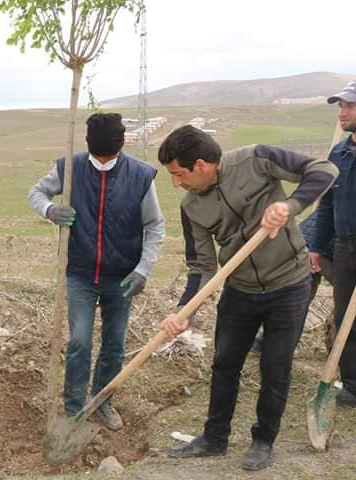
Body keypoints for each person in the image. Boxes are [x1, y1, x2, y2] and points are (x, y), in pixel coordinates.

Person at [158, 125, 337, 471]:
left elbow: (323, 169)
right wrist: (184, 311)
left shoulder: (257, 159)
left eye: (178, 175)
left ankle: (263, 440)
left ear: (201, 165)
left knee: (275, 366)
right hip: (240, 290)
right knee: (225, 363)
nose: (176, 184)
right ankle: (214, 437)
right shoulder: (190, 206)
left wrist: (290, 205)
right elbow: (202, 267)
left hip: (290, 283)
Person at [29, 112, 165, 430]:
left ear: (119, 149)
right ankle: (75, 406)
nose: (103, 162)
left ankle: (102, 401)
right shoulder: (70, 168)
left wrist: (143, 270)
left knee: (114, 343)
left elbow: (155, 225)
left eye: (109, 157)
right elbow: (36, 192)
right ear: (88, 146)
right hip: (79, 272)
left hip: (122, 277)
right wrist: (50, 209)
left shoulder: (141, 176)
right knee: (79, 340)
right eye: (97, 156)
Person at [311, 80, 356, 407]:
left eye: (349, 106)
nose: (342, 113)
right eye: (340, 106)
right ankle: (353, 386)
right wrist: (316, 245)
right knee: (345, 316)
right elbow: (325, 204)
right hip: (345, 246)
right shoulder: (339, 153)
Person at [250, 210, 335, 353]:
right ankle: (274, 342)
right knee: (301, 294)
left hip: (307, 240)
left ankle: (270, 340)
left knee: (300, 295)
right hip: (321, 244)